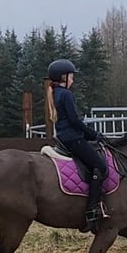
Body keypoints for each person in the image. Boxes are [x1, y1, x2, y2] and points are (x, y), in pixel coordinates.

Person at [45, 58, 109, 233]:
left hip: (64, 138)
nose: (73, 80)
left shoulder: (56, 92)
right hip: (73, 138)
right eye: (71, 76)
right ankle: (92, 210)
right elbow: (75, 121)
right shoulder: (66, 94)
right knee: (100, 166)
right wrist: (94, 135)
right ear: (63, 77)